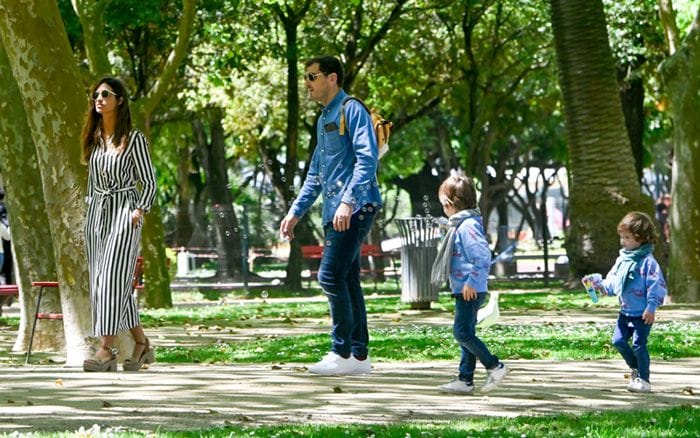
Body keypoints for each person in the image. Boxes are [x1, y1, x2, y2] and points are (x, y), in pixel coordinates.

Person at [279, 56, 382, 376]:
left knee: (329, 275)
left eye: (312, 76)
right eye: (306, 76)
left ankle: (342, 352)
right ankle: (359, 357)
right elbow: (316, 174)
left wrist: (348, 202)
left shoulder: (352, 109)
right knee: (347, 277)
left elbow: (368, 158)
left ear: (332, 78)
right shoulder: (326, 117)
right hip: (336, 208)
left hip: (355, 206)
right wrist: (295, 213)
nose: (307, 83)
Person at [81, 77, 157, 372]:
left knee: (111, 279)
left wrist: (140, 209)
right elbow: (92, 182)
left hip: (125, 212)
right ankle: (141, 344)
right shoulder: (96, 137)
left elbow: (149, 181)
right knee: (109, 284)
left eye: (105, 94)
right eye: (95, 95)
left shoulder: (134, 139)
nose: (98, 99)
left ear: (120, 100)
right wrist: (90, 215)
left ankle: (106, 349)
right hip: (97, 215)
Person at [431, 174, 508, 394]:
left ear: (451, 204)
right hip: (463, 288)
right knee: (467, 333)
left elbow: (482, 257)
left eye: (443, 204)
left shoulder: (467, 226)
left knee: (462, 333)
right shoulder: (461, 224)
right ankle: (465, 379)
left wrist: (471, 282)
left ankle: (495, 365)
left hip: (469, 289)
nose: (443, 209)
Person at [583, 211, 667, 393]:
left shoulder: (647, 262)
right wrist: (598, 285)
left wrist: (651, 307)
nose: (623, 242)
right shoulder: (622, 260)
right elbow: (613, 283)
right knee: (618, 341)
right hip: (625, 312)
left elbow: (656, 286)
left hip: (642, 314)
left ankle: (644, 380)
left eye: (627, 238)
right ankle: (636, 367)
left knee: (639, 344)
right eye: (622, 237)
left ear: (640, 238)